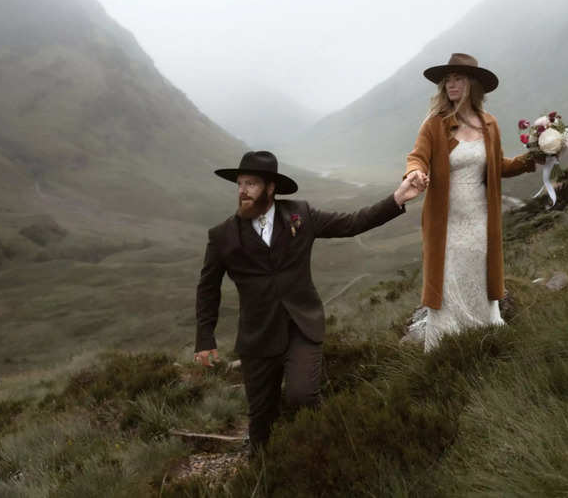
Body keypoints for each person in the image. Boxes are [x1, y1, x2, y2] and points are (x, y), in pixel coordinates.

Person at [194, 150, 425, 451]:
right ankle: (264, 473)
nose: (242, 191)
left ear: (270, 188)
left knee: (302, 396)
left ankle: (326, 450)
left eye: (251, 184)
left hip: (301, 327)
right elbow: (208, 287)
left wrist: (397, 198)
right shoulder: (222, 235)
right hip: (257, 337)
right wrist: (204, 337)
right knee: (261, 420)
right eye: (240, 184)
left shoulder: (299, 214)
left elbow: (352, 223)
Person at [405, 53, 543, 352]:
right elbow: (417, 156)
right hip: (447, 223)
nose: (452, 84)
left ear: (473, 84)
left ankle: (484, 346)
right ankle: (446, 352)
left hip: (481, 219)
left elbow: (497, 166)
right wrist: (415, 173)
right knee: (448, 282)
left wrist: (531, 159)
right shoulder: (435, 124)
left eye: (459, 78)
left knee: (480, 279)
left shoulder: (489, 124)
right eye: (448, 80)